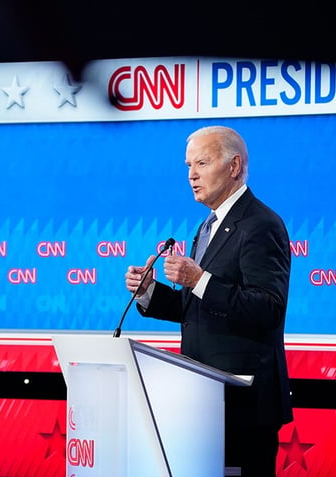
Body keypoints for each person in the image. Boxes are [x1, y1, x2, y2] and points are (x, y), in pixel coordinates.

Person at [124, 125, 292, 477]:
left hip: (244, 405)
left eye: (201, 163)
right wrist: (148, 292)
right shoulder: (206, 227)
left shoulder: (261, 224)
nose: (191, 175)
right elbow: (197, 308)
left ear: (233, 166)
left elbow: (268, 308)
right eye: (188, 166)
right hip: (202, 400)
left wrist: (199, 279)